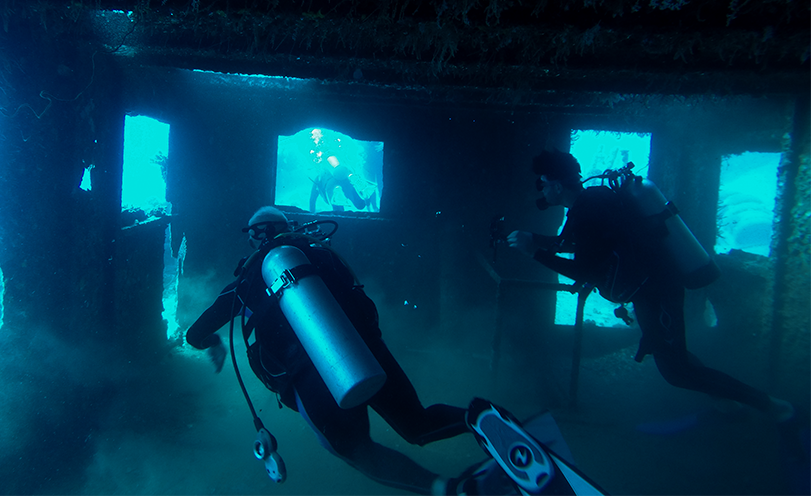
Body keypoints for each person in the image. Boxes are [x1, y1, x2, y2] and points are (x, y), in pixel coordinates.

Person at [187, 206, 501, 496]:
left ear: (256, 235)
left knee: (355, 450)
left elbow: (196, 333)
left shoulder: (248, 281)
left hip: (308, 375)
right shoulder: (321, 255)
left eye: (251, 236)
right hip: (365, 350)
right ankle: (479, 417)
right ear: (287, 228)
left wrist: (212, 343)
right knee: (417, 424)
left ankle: (449, 488)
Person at [507, 149, 794, 422]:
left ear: (556, 185)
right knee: (671, 355)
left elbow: (584, 271)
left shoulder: (587, 209)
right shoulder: (592, 200)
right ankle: (726, 404)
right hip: (650, 289)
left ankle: (770, 405)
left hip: (656, 292)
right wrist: (533, 239)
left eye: (542, 183)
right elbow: (572, 243)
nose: (540, 189)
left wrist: (535, 252)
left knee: (677, 371)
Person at [308, 129, 375, 213]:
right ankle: (354, 193)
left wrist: (312, 213)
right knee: (359, 204)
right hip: (344, 178)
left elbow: (312, 198)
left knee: (337, 206)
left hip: (330, 182)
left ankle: (341, 199)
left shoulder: (319, 176)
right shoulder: (336, 163)